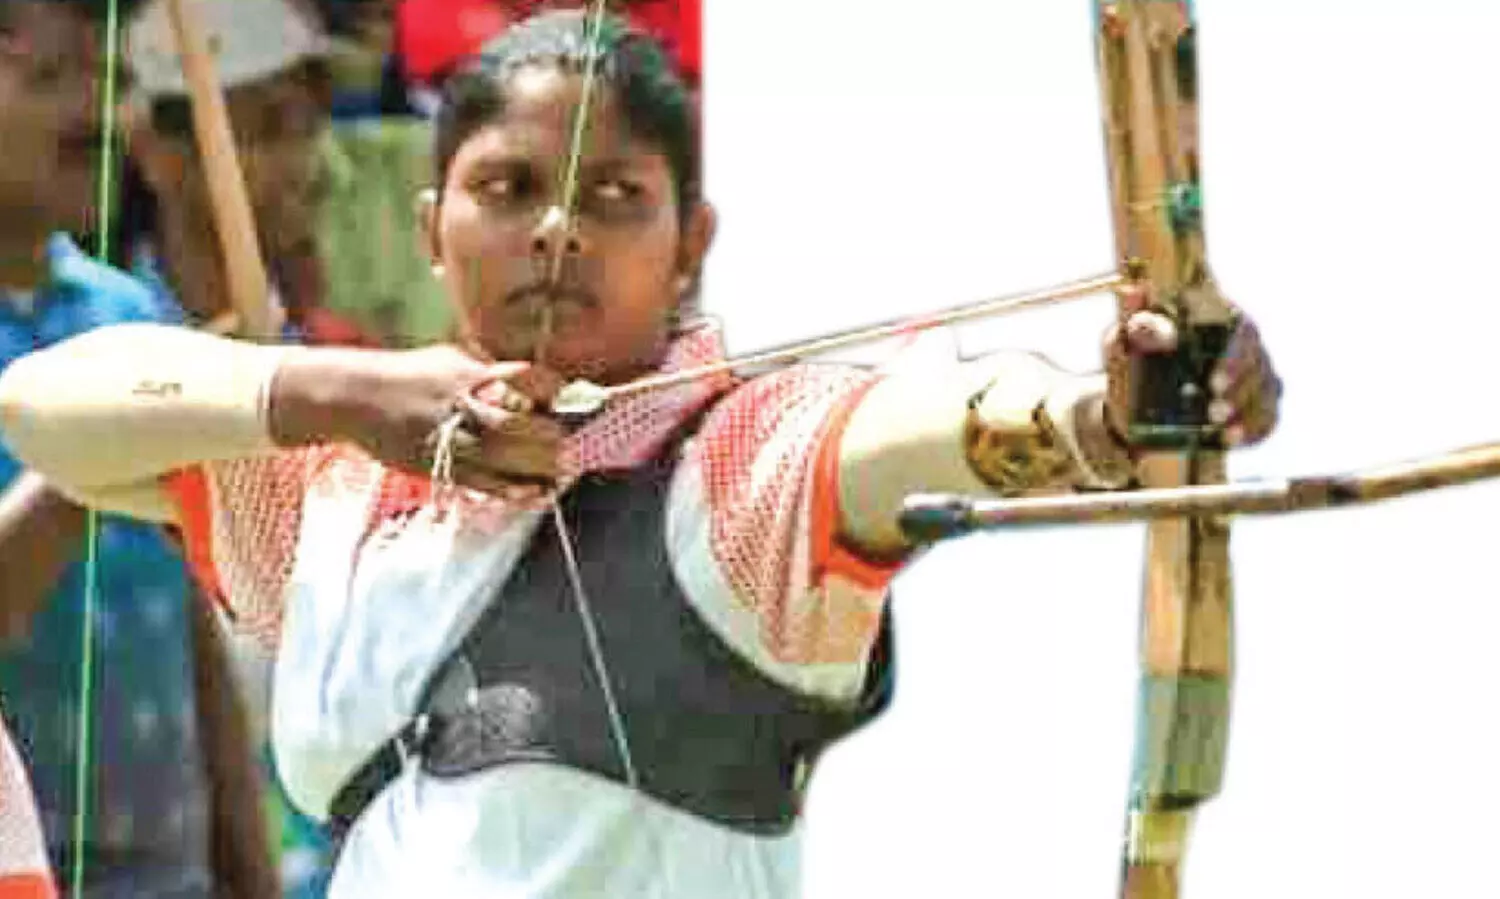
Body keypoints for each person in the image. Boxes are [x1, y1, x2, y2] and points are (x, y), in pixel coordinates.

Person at [0, 10, 1282, 898]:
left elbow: (922, 429)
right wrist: (351, 391)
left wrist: (1106, 415)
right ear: (430, 227)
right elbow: (44, 407)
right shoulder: (338, 493)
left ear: (690, 243)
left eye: (614, 196)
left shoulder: (742, 473)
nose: (556, 229)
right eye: (505, 189)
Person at [0, 0, 279, 896]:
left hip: (169, 868)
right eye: (50, 79)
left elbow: (194, 617)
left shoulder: (126, 311)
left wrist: (247, 863)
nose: (96, 114)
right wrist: (104, 448)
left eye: (110, 79)